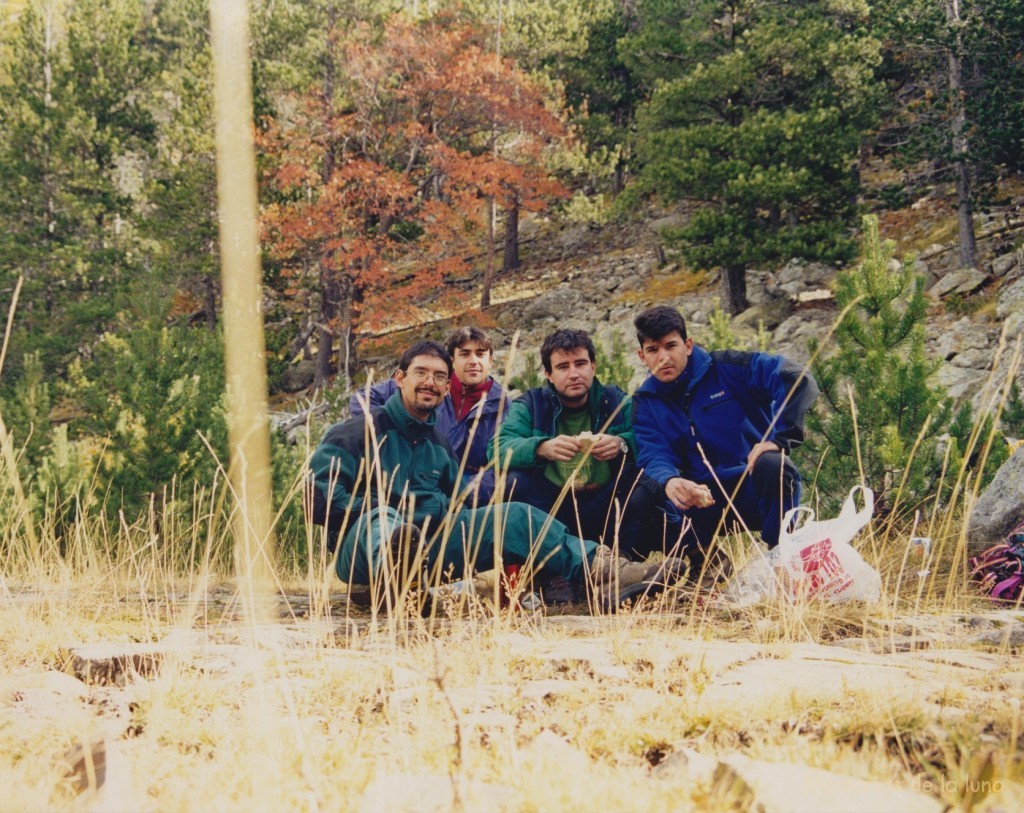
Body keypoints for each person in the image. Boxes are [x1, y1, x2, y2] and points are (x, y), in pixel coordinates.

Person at [311, 340, 679, 610]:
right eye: (421, 373)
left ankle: (608, 569)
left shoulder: (439, 446)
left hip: (428, 549)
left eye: (440, 377)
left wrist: (488, 524)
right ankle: (392, 574)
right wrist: (388, 505)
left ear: (445, 386)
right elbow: (316, 498)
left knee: (515, 516)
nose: (430, 382)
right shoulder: (357, 432)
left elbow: (461, 507)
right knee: (384, 519)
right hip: (361, 553)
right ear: (399, 378)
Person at [631, 305, 819, 567]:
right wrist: (670, 480)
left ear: (687, 345)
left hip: (753, 489)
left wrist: (780, 440)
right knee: (647, 494)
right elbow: (653, 454)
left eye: (670, 346)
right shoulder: (645, 401)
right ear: (642, 356)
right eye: (653, 350)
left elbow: (796, 377)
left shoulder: (729, 367)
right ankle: (707, 563)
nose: (663, 357)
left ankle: (781, 558)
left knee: (774, 463)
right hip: (700, 501)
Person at [487, 328, 666, 562]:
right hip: (552, 509)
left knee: (645, 481)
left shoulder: (614, 400)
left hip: (604, 505)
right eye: (563, 367)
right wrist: (541, 448)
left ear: (593, 366)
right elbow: (496, 449)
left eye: (580, 364)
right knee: (515, 482)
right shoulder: (532, 404)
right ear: (548, 374)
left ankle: (621, 563)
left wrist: (621, 444)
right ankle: (552, 571)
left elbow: (651, 438)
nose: (573, 374)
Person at [350, 326, 509, 504]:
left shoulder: (503, 407)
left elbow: (500, 467)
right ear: (452, 360)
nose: (473, 361)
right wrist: (392, 435)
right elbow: (361, 399)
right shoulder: (429, 386)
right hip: (406, 471)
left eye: (480, 354)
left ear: (491, 361)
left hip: (460, 486)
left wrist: (464, 492)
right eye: (465, 354)